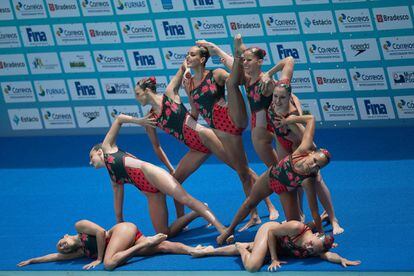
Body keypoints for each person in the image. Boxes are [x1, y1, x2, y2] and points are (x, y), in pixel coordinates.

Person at [184, 35, 278, 230]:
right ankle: (260, 211)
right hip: (218, 131)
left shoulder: (216, 73)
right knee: (242, 171)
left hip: (231, 117)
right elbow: (194, 111)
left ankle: (237, 54)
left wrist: (219, 52)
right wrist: (183, 123)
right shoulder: (189, 84)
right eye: (187, 54)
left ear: (202, 59)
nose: (188, 57)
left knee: (231, 84)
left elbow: (241, 80)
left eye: (192, 54)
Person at [135, 63, 249, 221]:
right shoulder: (150, 119)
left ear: (147, 91)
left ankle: (266, 202)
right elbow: (156, 147)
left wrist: (187, 71)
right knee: (174, 183)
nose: (136, 98)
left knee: (241, 169)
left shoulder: (169, 94)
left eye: (138, 94)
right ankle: (181, 220)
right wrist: (170, 168)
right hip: (196, 149)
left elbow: (182, 67)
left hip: (204, 136)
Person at [89, 113, 227, 238]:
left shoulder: (108, 148)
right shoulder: (114, 179)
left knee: (186, 199)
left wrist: (141, 121)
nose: (90, 162)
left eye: (91, 156)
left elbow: (119, 119)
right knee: (164, 234)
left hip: (152, 174)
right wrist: (119, 227)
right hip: (151, 193)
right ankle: (197, 212)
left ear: (99, 151)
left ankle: (221, 228)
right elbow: (118, 209)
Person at [216, 114, 331, 245]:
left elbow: (314, 210)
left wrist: (321, 234)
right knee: (250, 203)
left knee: (294, 230)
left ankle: (321, 221)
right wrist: (289, 120)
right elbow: (311, 118)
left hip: (286, 191)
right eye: (314, 160)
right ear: (311, 153)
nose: (313, 165)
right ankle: (229, 230)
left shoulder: (308, 181)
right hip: (270, 177)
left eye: (318, 166)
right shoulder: (303, 149)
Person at [267, 66, 343, 235]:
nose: (277, 101)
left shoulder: (291, 117)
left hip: (298, 147)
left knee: (317, 181)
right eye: (275, 96)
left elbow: (309, 142)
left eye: (282, 98)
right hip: (281, 142)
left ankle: (333, 218)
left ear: (288, 98)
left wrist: (311, 159)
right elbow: (288, 63)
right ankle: (299, 214)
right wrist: (270, 73)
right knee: (292, 181)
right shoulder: (280, 96)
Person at [17, 219, 202, 270]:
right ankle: (193, 249)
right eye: (63, 248)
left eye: (61, 243)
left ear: (66, 235)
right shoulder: (79, 252)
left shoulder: (79, 226)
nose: (63, 247)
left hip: (122, 231)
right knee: (162, 248)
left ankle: (146, 242)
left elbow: (99, 232)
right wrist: (32, 261)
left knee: (109, 264)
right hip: (124, 244)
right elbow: (54, 256)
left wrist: (99, 258)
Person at [191, 220, 360, 272]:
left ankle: (208, 252)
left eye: (312, 249)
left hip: (278, 245)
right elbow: (272, 233)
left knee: (254, 249)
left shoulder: (315, 249)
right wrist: (274, 259)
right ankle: (240, 248)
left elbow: (327, 255)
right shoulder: (297, 228)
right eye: (311, 244)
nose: (308, 247)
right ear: (315, 235)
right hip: (270, 232)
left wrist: (342, 259)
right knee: (253, 266)